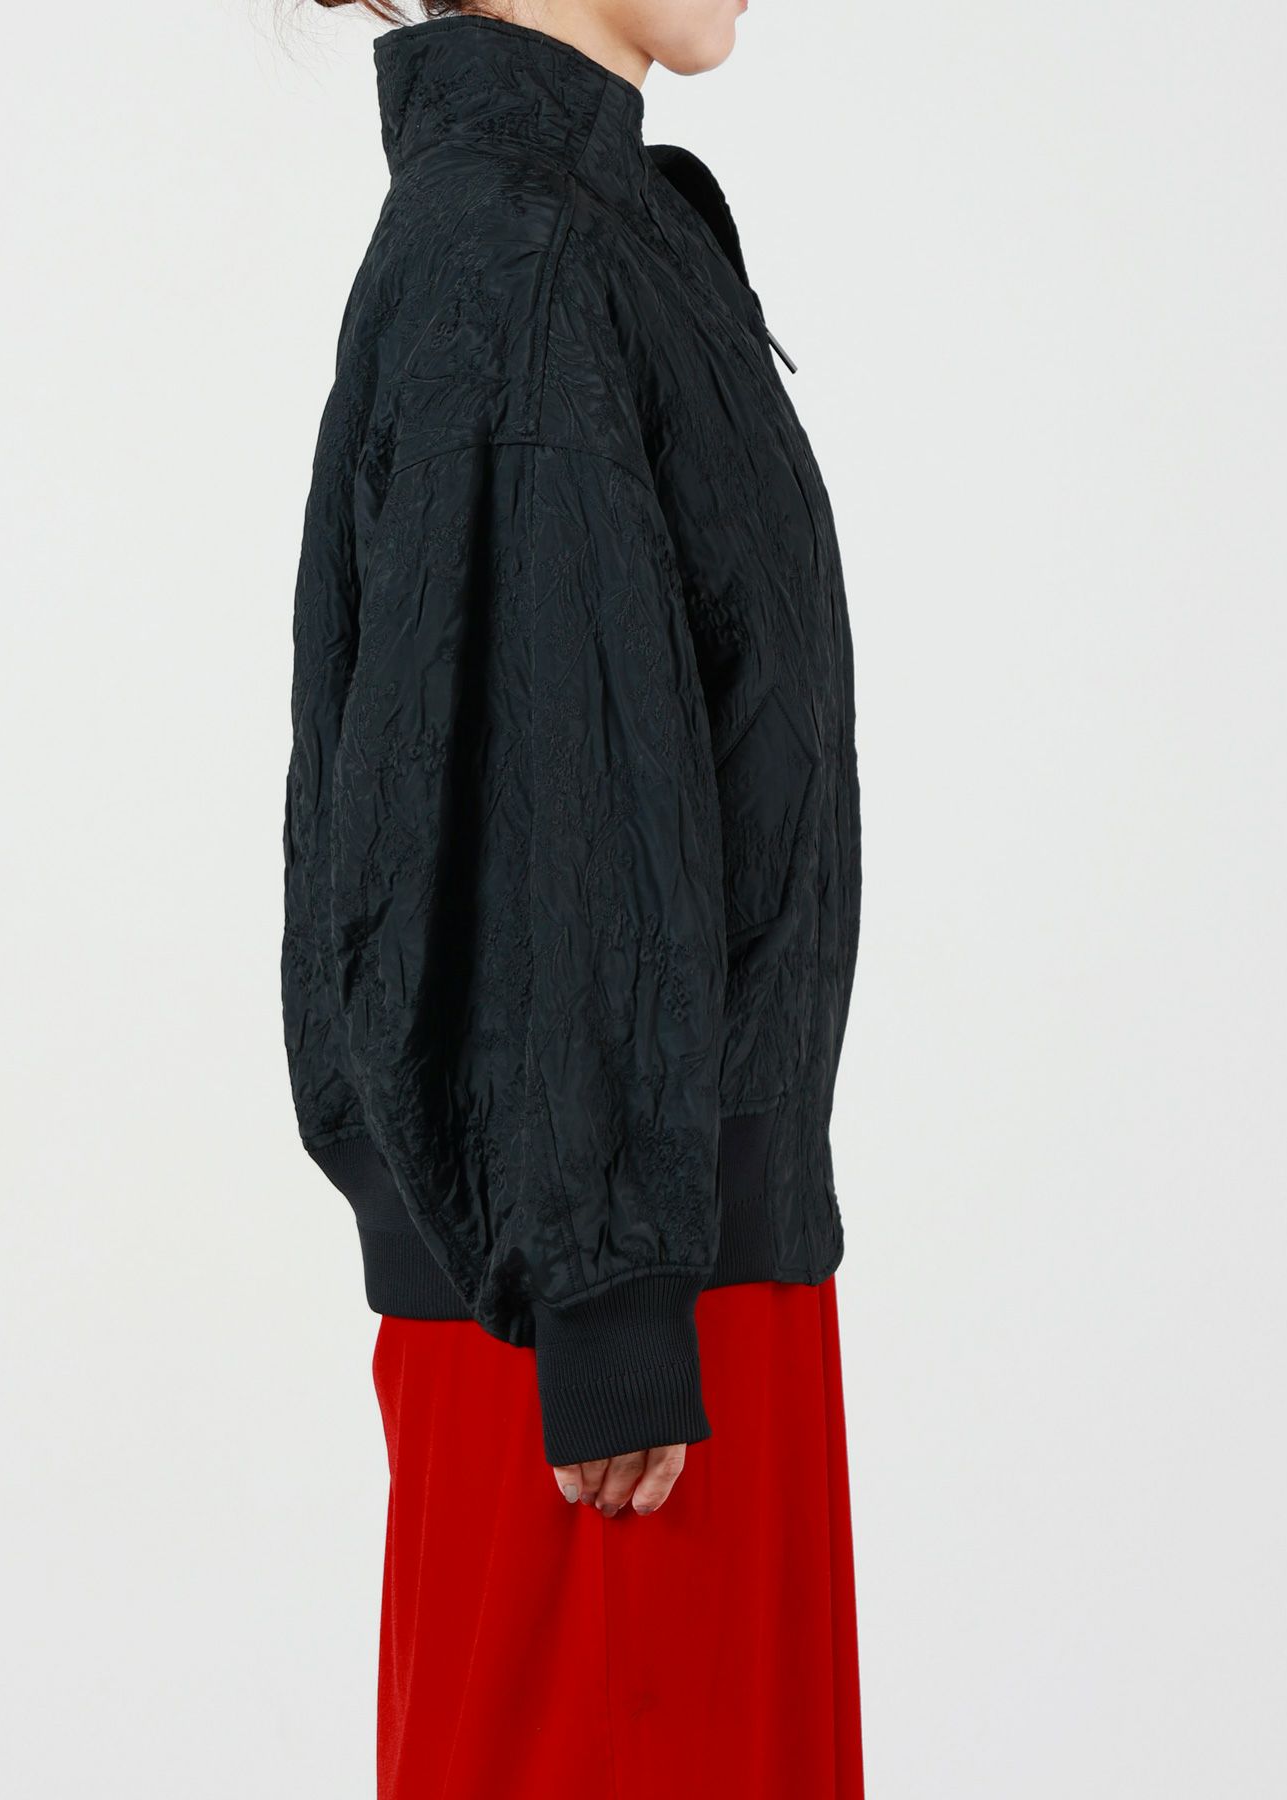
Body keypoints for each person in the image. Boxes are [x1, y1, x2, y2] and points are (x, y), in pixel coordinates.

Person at [281, 3, 864, 1793]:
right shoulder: (520, 254)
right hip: (597, 1319)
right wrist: (603, 1298)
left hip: (666, 1263)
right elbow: (523, 781)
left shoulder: (589, 232)